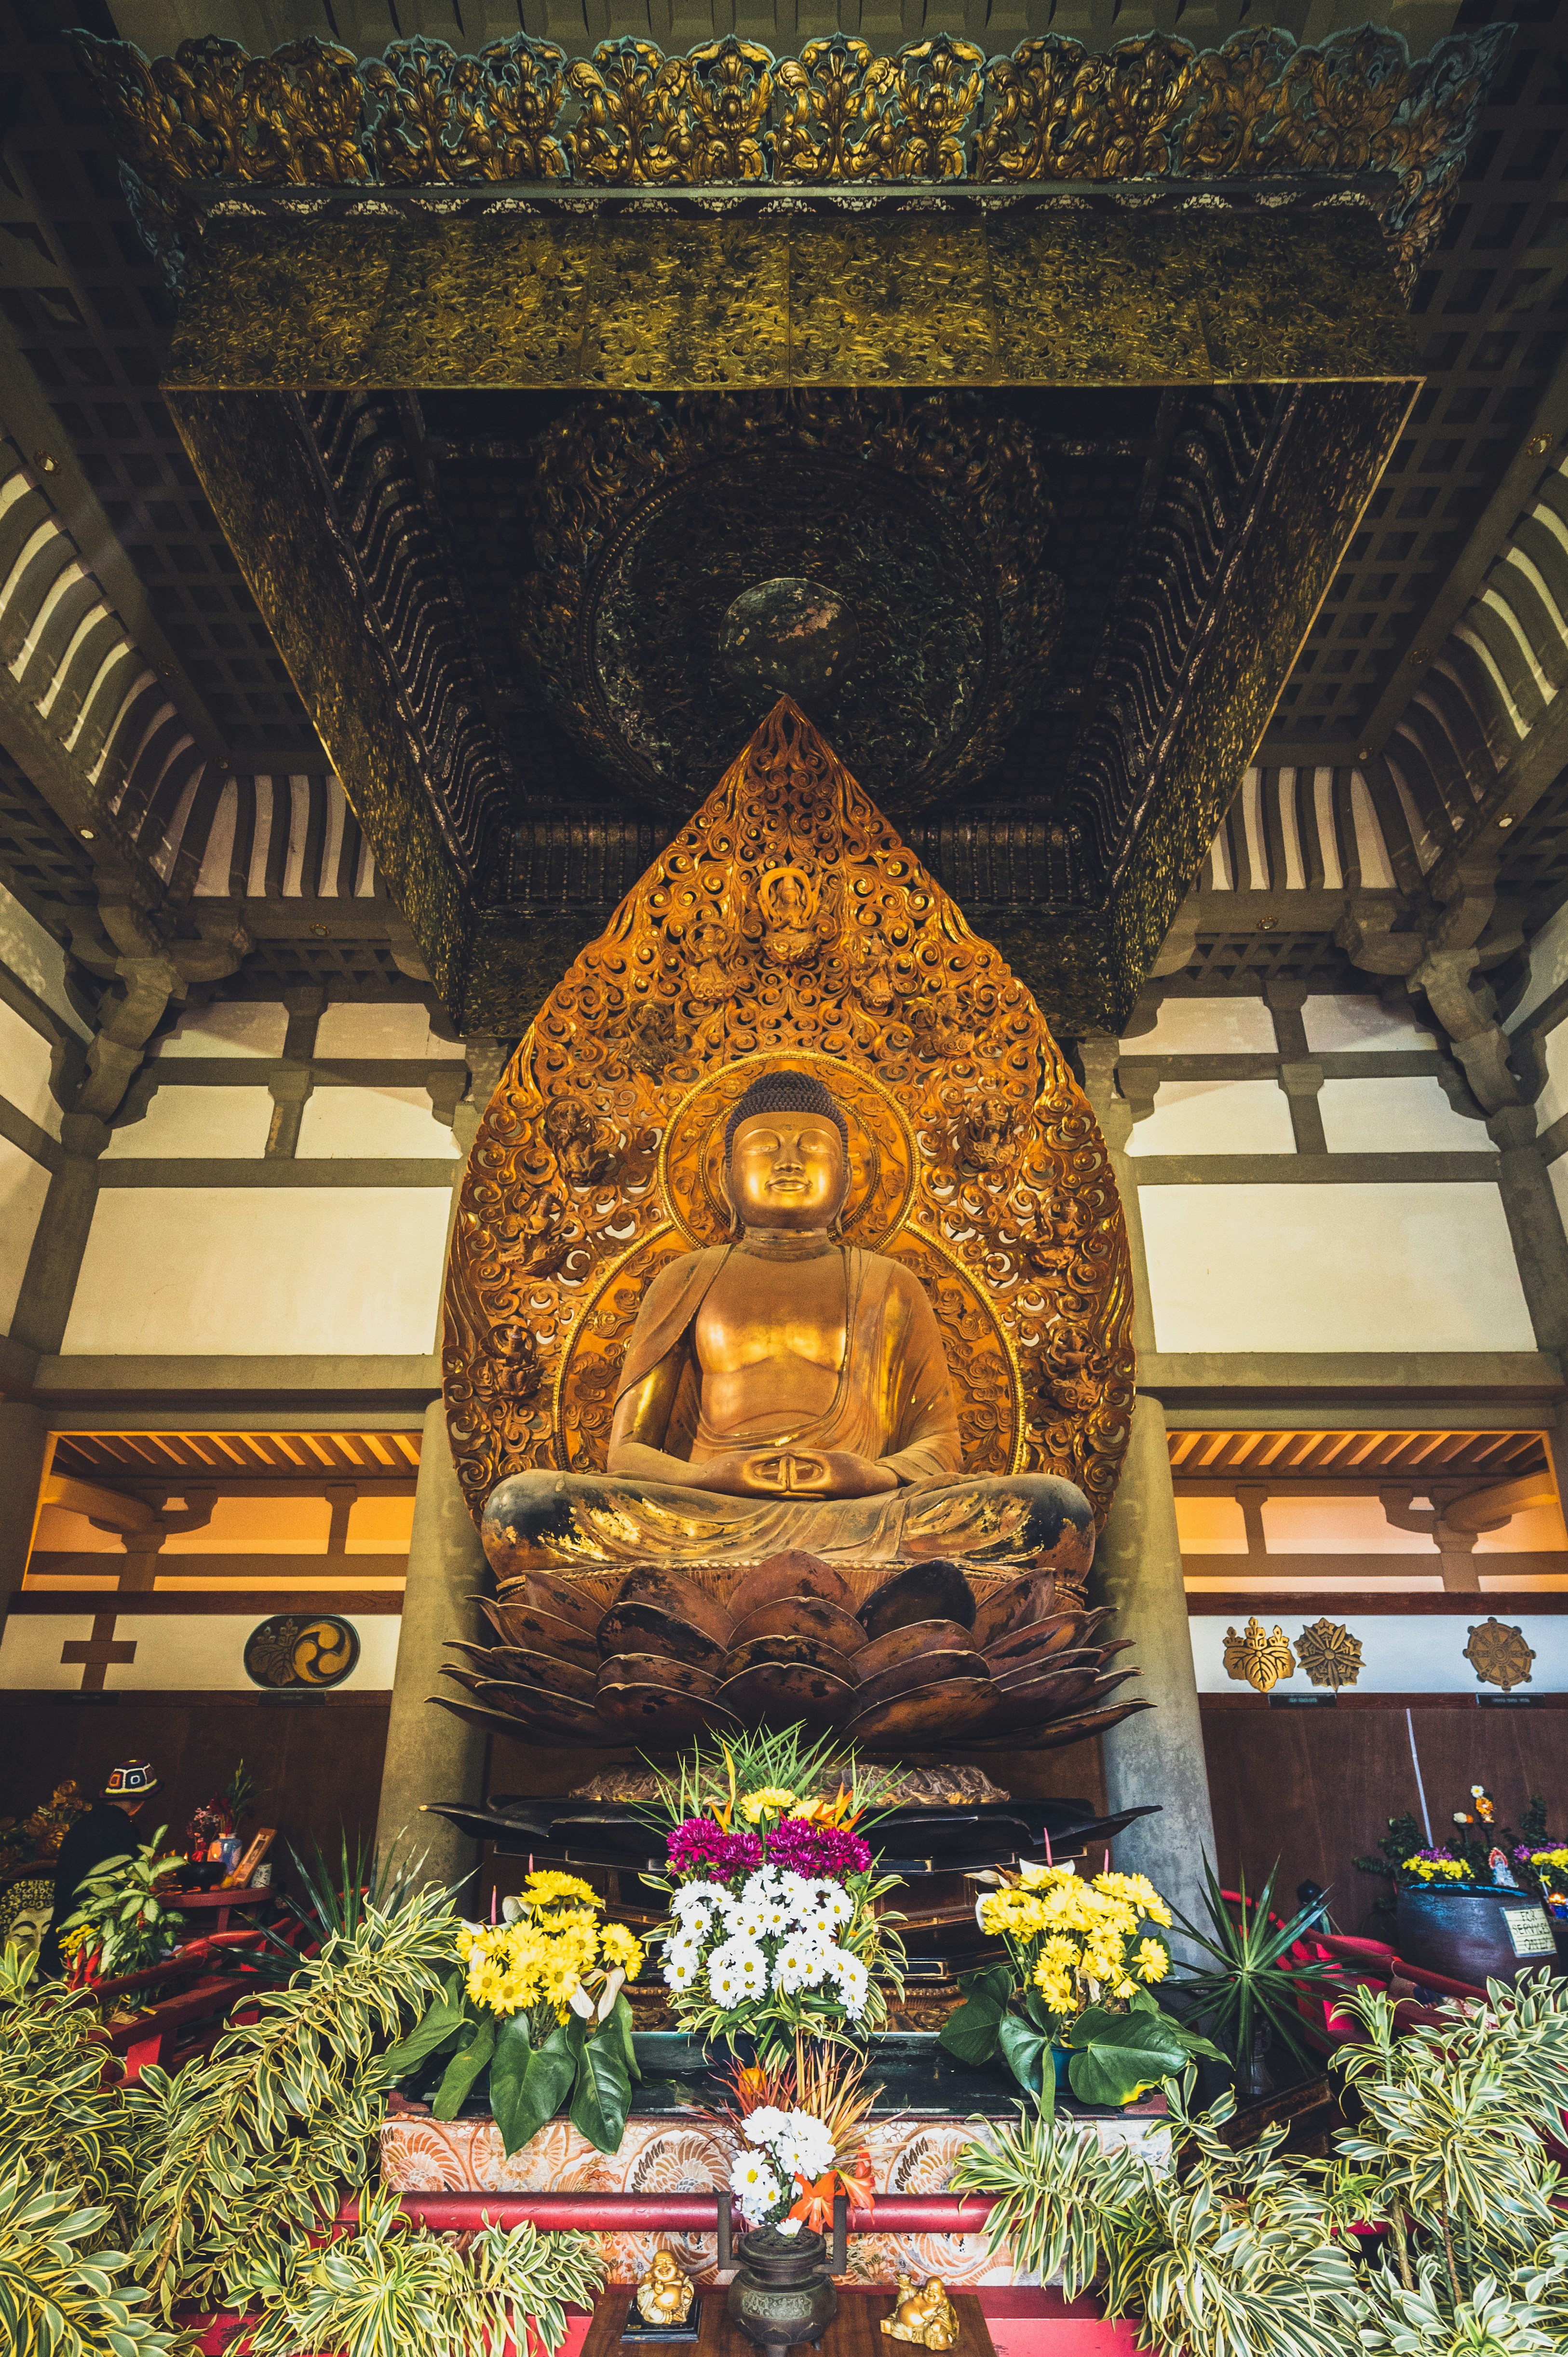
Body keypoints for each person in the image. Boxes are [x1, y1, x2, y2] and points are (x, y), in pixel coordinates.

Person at [482, 1068, 1094, 1574]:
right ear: (726, 1179)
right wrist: (715, 1475)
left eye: (812, 1148)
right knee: (524, 1509)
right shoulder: (686, 1277)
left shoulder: (890, 1283)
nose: (789, 1162)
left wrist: (867, 1474)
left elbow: (940, 1446)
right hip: (709, 1513)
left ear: (849, 1180)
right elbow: (629, 1453)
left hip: (865, 1514)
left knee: (1053, 1510)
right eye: (764, 1148)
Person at [37, 1758, 158, 1978]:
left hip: (59, 1941)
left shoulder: (82, 1825)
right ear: (140, 1801)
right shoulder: (124, 1830)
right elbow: (128, 1886)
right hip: (92, 1948)